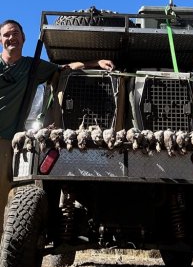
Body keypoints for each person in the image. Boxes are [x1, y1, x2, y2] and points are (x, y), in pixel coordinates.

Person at [0, 19, 115, 238]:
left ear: (23, 38)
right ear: (0, 40)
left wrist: (96, 63)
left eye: (15, 33)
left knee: (9, 198)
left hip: (9, 142)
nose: (11, 38)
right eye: (6, 35)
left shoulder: (32, 67)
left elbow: (64, 69)